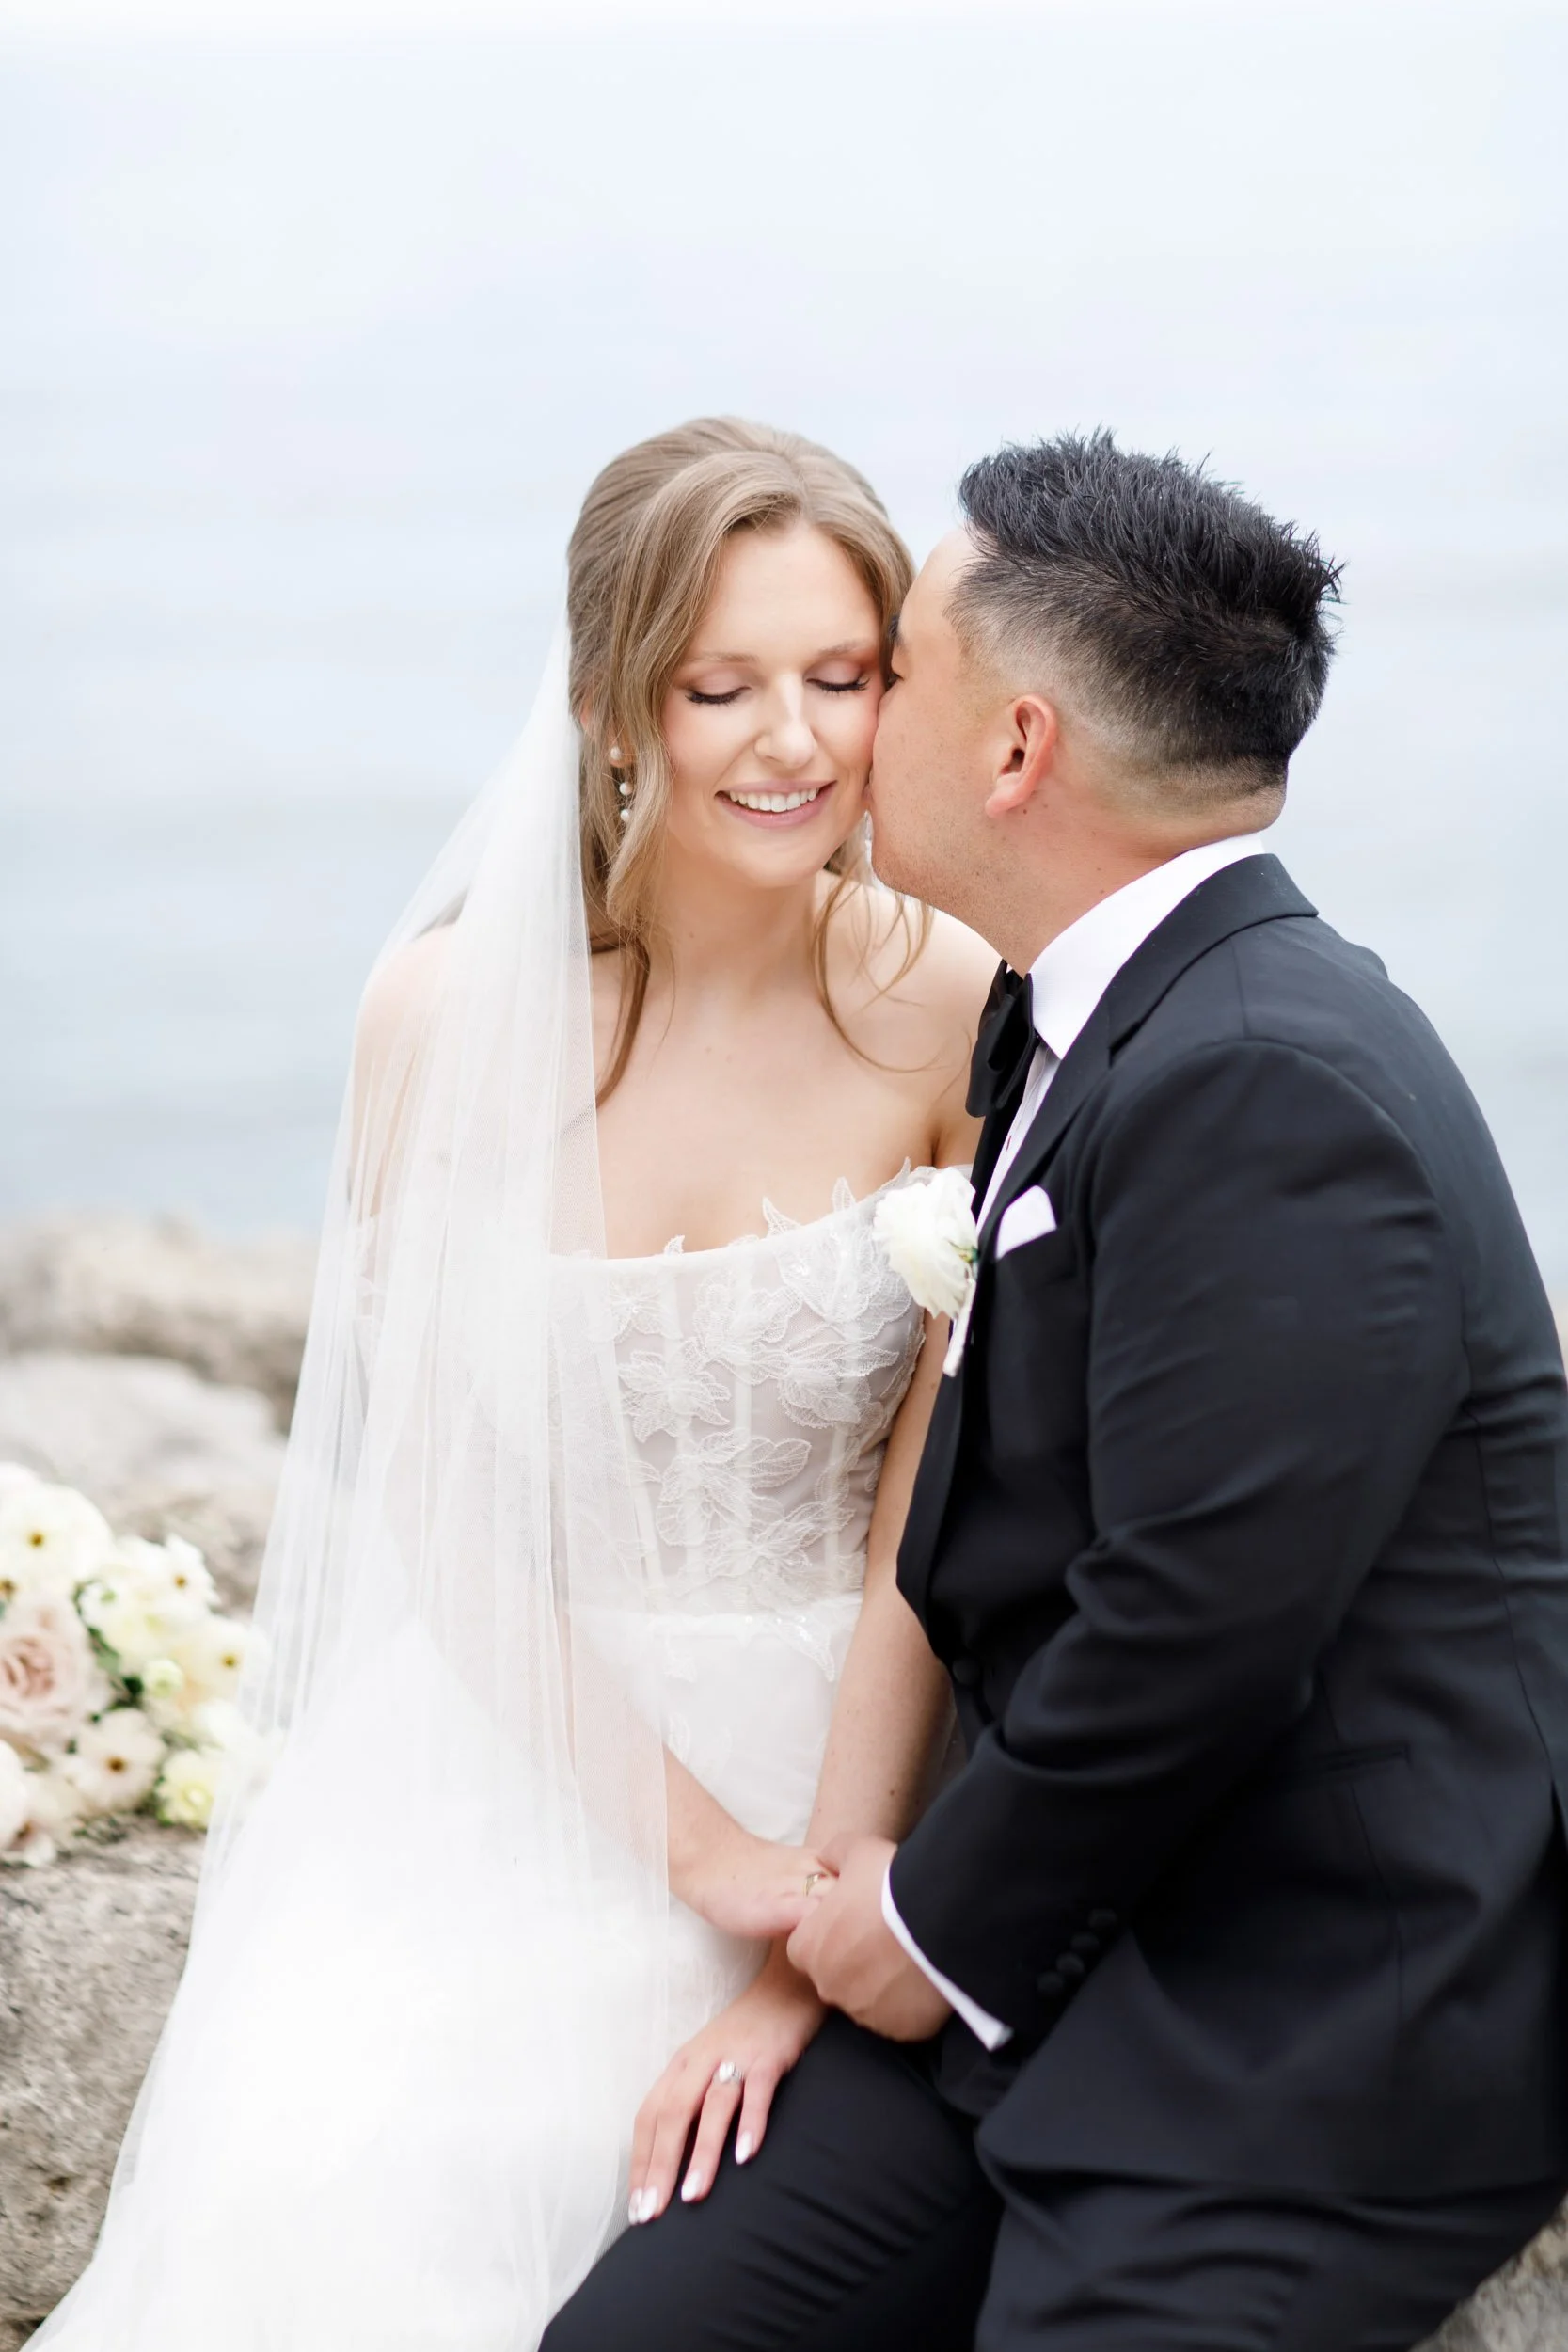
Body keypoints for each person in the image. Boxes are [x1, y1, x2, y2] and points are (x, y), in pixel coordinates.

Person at [543, 432, 1568, 2352]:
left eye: (885, 673)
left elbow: (1196, 1613)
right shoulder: (1083, 1002)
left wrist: (917, 1922)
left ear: (1012, 748)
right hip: (1071, 1946)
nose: (841, 732)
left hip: (1296, 2026)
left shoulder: (1271, 1078)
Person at [31, 418, 994, 2351]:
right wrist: (697, 1852)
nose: (790, 739)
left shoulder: (948, 996)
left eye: (839, 676)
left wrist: (805, 1903)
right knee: (353, 2182)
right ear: (607, 705)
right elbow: (446, 1499)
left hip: (845, 1748)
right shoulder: (442, 1015)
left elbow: (925, 1516)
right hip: (504, 1734)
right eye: (720, 685)